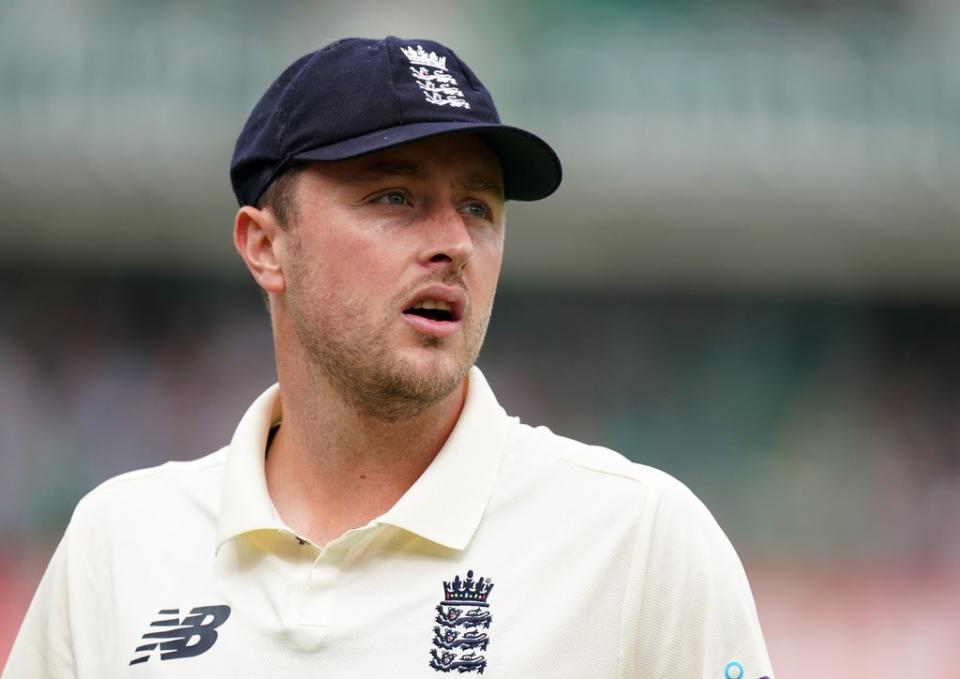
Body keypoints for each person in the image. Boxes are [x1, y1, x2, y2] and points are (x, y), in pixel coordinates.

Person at [4, 37, 773, 679]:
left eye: (479, 206)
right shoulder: (118, 543)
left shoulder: (640, 542)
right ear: (266, 247)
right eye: (394, 197)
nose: (454, 242)